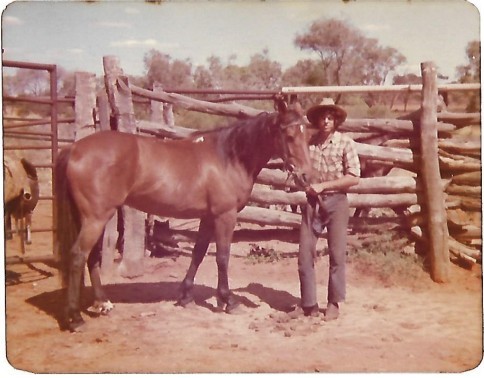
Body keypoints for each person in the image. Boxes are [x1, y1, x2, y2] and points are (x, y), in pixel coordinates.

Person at [294, 98, 360, 321]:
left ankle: (333, 303)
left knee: (337, 254)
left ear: (336, 120)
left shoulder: (345, 144)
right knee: (305, 254)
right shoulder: (309, 144)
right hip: (313, 203)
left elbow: (353, 177)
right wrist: (302, 182)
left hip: (337, 203)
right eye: (322, 117)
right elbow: (302, 172)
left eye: (330, 117)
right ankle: (309, 304)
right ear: (317, 120)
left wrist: (325, 186)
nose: (326, 121)